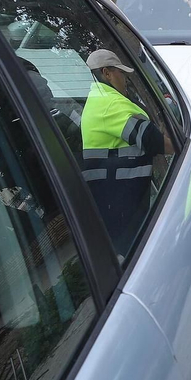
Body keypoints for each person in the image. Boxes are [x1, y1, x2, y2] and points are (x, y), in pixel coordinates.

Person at [80, 47, 163, 255]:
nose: (124, 79)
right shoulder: (111, 104)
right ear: (106, 73)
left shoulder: (97, 101)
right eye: (121, 73)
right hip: (122, 198)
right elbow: (156, 142)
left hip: (113, 196)